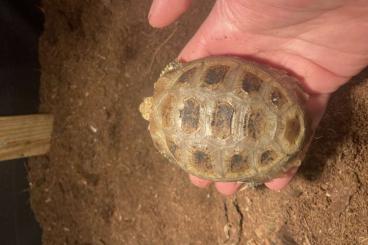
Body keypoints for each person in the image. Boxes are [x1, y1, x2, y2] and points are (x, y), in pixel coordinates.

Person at [147, 0, 368, 195]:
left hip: (274, 150)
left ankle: (262, 173)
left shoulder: (172, 150)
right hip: (278, 101)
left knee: (248, 175)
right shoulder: (175, 79)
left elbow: (188, 162)